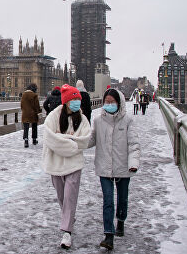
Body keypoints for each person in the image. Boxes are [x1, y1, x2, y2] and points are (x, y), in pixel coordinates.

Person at [89, 88, 140, 250]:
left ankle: (121, 220)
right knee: (108, 201)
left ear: (119, 103)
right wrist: (73, 143)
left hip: (123, 166)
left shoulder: (127, 121)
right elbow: (91, 139)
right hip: (104, 166)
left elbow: (133, 144)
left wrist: (133, 163)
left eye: (112, 102)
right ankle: (108, 235)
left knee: (122, 199)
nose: (109, 104)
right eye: (106, 102)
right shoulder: (98, 120)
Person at [42, 84, 91, 249]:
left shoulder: (82, 119)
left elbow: (85, 140)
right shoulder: (53, 117)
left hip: (74, 164)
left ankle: (66, 232)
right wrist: (70, 141)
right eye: (75, 99)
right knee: (62, 196)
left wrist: (61, 138)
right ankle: (69, 217)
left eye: (79, 99)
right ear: (67, 101)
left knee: (70, 195)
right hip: (55, 162)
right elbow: (50, 139)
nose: (78, 102)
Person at [20, 83, 41, 147]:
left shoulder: (23, 95)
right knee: (34, 126)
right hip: (33, 114)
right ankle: (34, 140)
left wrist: (24, 110)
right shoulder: (34, 95)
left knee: (26, 127)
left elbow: (21, 105)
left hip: (25, 113)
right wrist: (39, 112)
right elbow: (37, 106)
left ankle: (26, 140)